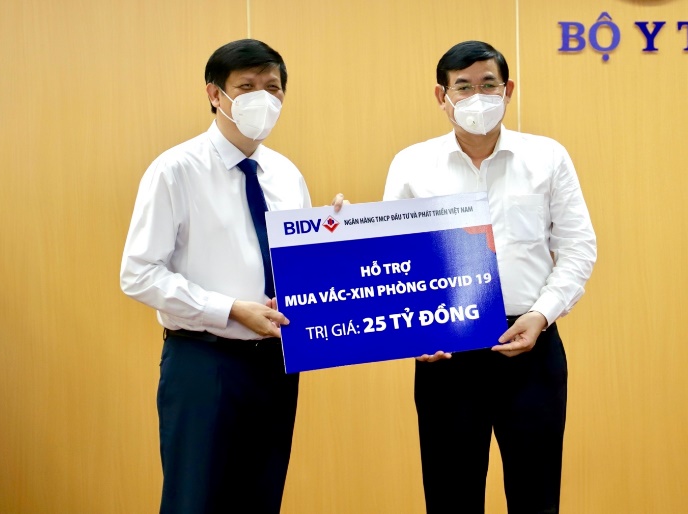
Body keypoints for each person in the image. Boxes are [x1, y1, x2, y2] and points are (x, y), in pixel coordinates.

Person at [120, 39, 345, 514]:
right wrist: (228, 310)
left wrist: (335, 233)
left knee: (261, 499)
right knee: (194, 501)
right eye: (246, 87)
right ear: (215, 94)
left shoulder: (286, 174)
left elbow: (298, 268)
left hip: (276, 365)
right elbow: (138, 273)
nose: (262, 98)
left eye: (273, 88)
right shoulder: (175, 170)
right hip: (204, 361)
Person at [383, 41, 597, 514]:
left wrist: (542, 314)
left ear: (508, 90)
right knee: (451, 497)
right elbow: (394, 258)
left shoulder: (547, 157)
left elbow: (579, 248)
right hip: (446, 353)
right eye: (463, 87)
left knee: (536, 496)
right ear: (441, 96)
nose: (476, 97)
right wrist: (413, 331)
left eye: (488, 85)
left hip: (531, 346)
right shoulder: (412, 164)